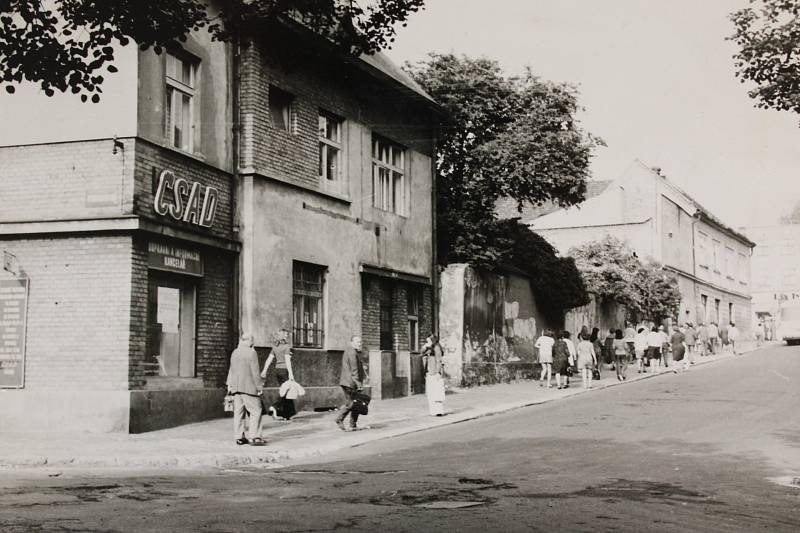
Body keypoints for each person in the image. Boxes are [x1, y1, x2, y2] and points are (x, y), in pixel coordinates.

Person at [226, 333, 264, 446]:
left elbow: (231, 369)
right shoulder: (252, 353)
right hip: (249, 387)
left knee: (238, 413)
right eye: (252, 340)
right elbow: (255, 373)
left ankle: (239, 437)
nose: (253, 342)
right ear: (249, 340)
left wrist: (230, 384)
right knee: (256, 411)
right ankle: (254, 436)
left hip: (236, 387)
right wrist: (259, 387)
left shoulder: (235, 352)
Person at [260, 328, 296, 420]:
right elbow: (287, 361)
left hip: (277, 370)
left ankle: (286, 415)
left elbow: (269, 359)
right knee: (286, 392)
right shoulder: (286, 347)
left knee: (285, 391)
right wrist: (291, 374)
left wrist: (264, 370)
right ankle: (275, 407)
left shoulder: (275, 346)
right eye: (287, 335)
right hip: (284, 370)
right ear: (284, 336)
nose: (288, 337)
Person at [335, 335, 367, 431]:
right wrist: (358, 384)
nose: (359, 344)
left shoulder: (352, 351)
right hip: (350, 383)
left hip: (348, 381)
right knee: (352, 403)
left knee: (356, 403)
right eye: (357, 342)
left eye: (360, 342)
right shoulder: (352, 352)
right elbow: (354, 370)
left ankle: (353, 424)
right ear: (351, 343)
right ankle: (340, 419)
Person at [421, 334, 446, 416]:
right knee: (430, 392)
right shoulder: (429, 349)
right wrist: (425, 346)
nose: (427, 342)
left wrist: (438, 372)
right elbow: (421, 353)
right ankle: (433, 411)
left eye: (429, 340)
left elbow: (439, 360)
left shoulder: (437, 348)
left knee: (437, 392)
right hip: (429, 372)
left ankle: (439, 411)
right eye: (427, 340)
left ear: (433, 340)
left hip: (435, 373)